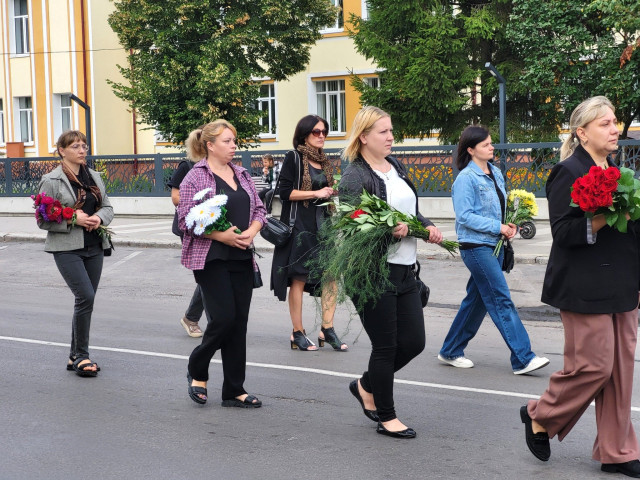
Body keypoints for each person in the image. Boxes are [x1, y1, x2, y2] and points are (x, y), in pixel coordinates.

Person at [520, 96, 640, 476]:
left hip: (624, 283)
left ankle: (617, 452)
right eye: (605, 123)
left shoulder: (619, 172)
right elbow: (563, 233)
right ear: (582, 132)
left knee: (620, 373)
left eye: (615, 122)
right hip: (584, 287)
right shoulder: (568, 171)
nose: (615, 129)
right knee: (595, 367)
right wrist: (606, 214)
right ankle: (540, 415)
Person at [339, 106, 443, 438]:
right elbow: (352, 224)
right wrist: (390, 231)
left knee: (413, 343)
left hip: (405, 271)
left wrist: (426, 226)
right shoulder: (354, 176)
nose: (390, 137)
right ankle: (387, 416)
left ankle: (365, 385)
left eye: (391, 130)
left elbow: (410, 211)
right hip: (372, 273)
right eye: (383, 131)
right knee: (385, 347)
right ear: (363, 137)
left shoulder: (395, 166)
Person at [437, 125, 549, 375]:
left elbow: (498, 206)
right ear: (470, 149)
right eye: (486, 144)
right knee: (500, 297)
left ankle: (451, 349)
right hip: (476, 246)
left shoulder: (495, 172)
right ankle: (523, 358)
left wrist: (508, 224)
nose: (491, 147)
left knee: (476, 301)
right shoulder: (466, 178)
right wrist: (497, 227)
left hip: (495, 244)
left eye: (491, 143)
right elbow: (465, 216)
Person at [178, 119, 266, 407]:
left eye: (234, 141)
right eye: (227, 141)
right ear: (210, 145)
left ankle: (234, 390)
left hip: (242, 256)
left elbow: (260, 209)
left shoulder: (242, 173)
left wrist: (252, 231)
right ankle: (197, 367)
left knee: (239, 324)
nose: (233, 146)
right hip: (211, 258)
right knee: (224, 319)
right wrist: (221, 236)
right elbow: (185, 221)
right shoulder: (195, 177)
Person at [37, 130, 114, 377]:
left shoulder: (94, 176)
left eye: (84, 146)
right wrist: (73, 220)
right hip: (67, 248)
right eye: (75, 146)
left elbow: (108, 207)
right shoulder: (52, 180)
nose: (82, 150)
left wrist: (98, 217)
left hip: (95, 245)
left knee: (86, 301)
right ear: (62, 151)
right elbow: (42, 219)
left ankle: (74, 356)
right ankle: (82, 355)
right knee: (85, 296)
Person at [270, 114, 347, 352]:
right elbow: (285, 193)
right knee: (299, 278)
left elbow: (324, 191)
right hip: (300, 227)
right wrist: (316, 193)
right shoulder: (293, 157)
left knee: (331, 276)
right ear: (304, 135)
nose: (322, 136)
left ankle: (327, 329)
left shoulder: (325, 161)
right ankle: (298, 332)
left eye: (324, 132)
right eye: (316, 132)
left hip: (323, 226)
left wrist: (331, 191)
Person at [168, 155, 204, 338]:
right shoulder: (187, 166)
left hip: (213, 226)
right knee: (208, 276)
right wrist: (202, 205)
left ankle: (192, 318)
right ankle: (193, 319)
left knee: (212, 275)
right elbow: (176, 197)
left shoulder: (220, 165)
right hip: (191, 228)